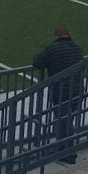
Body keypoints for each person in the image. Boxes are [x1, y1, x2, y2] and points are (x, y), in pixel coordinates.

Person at [32, 25, 84, 165]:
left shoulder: (52, 49)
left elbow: (37, 62)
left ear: (55, 36)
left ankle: (68, 153)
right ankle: (62, 149)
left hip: (62, 91)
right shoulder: (76, 47)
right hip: (77, 89)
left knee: (63, 122)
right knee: (67, 121)